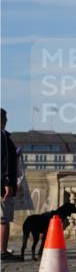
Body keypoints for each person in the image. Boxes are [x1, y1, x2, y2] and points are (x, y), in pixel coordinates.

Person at [1, 108, 19, 261]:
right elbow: (5, 161)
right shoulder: (2, 136)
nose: (6, 121)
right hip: (2, 185)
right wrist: (8, 182)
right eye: (5, 118)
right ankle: (2, 252)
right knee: (3, 219)